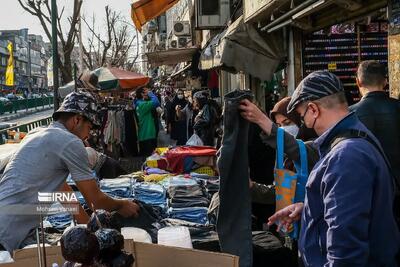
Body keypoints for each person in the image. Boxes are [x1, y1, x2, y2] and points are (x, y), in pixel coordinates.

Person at [242, 71, 400, 266]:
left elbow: (345, 251)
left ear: (313, 109)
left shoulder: (347, 156)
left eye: (301, 116)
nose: (305, 123)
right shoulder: (354, 140)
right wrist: (309, 209)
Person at [0, 91, 140, 253]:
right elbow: (95, 201)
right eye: (89, 127)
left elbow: (61, 189)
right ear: (77, 120)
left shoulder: (36, 133)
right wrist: (121, 205)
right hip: (6, 231)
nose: (89, 134)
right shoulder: (70, 142)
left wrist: (87, 225)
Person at [351, 60, 400, 186]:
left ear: (358, 82)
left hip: (367, 186)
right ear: (385, 82)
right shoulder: (397, 107)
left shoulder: (349, 115)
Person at [134, 85, 160, 157]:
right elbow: (156, 102)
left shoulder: (139, 103)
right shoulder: (142, 104)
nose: (148, 92)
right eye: (146, 91)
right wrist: (151, 94)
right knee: (150, 158)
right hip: (147, 135)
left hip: (145, 135)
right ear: (142, 94)